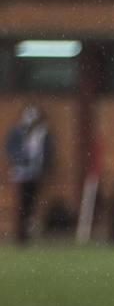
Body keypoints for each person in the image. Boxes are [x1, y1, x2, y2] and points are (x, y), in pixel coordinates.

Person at [5, 104, 53, 244]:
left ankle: (28, 228)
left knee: (32, 202)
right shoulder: (17, 132)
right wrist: (21, 160)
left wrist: (42, 166)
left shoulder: (42, 133)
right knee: (22, 203)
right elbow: (10, 149)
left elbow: (48, 152)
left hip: (36, 173)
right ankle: (20, 233)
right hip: (21, 173)